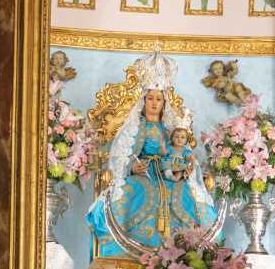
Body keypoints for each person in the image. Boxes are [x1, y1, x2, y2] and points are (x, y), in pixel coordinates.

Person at [86, 80, 218, 256]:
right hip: (144, 173)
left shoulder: (170, 128)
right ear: (143, 101)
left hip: (168, 172)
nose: (154, 103)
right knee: (136, 190)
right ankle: (131, 252)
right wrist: (133, 167)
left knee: (186, 192)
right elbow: (122, 156)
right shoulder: (135, 127)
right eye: (150, 98)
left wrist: (185, 167)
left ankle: (184, 253)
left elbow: (182, 151)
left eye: (159, 99)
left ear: (164, 103)